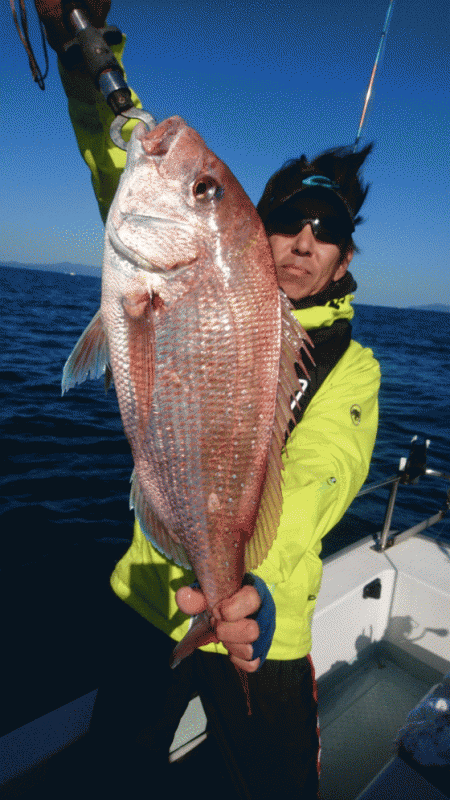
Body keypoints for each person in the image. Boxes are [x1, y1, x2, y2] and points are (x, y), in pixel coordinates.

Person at [34, 2, 380, 798]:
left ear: (343, 254)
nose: (301, 239)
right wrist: (79, 46)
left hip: (268, 624)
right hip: (153, 598)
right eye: (287, 217)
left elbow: (325, 477)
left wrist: (246, 587)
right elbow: (118, 154)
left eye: (324, 228)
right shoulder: (194, 265)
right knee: (113, 774)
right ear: (254, 231)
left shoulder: (353, 367)